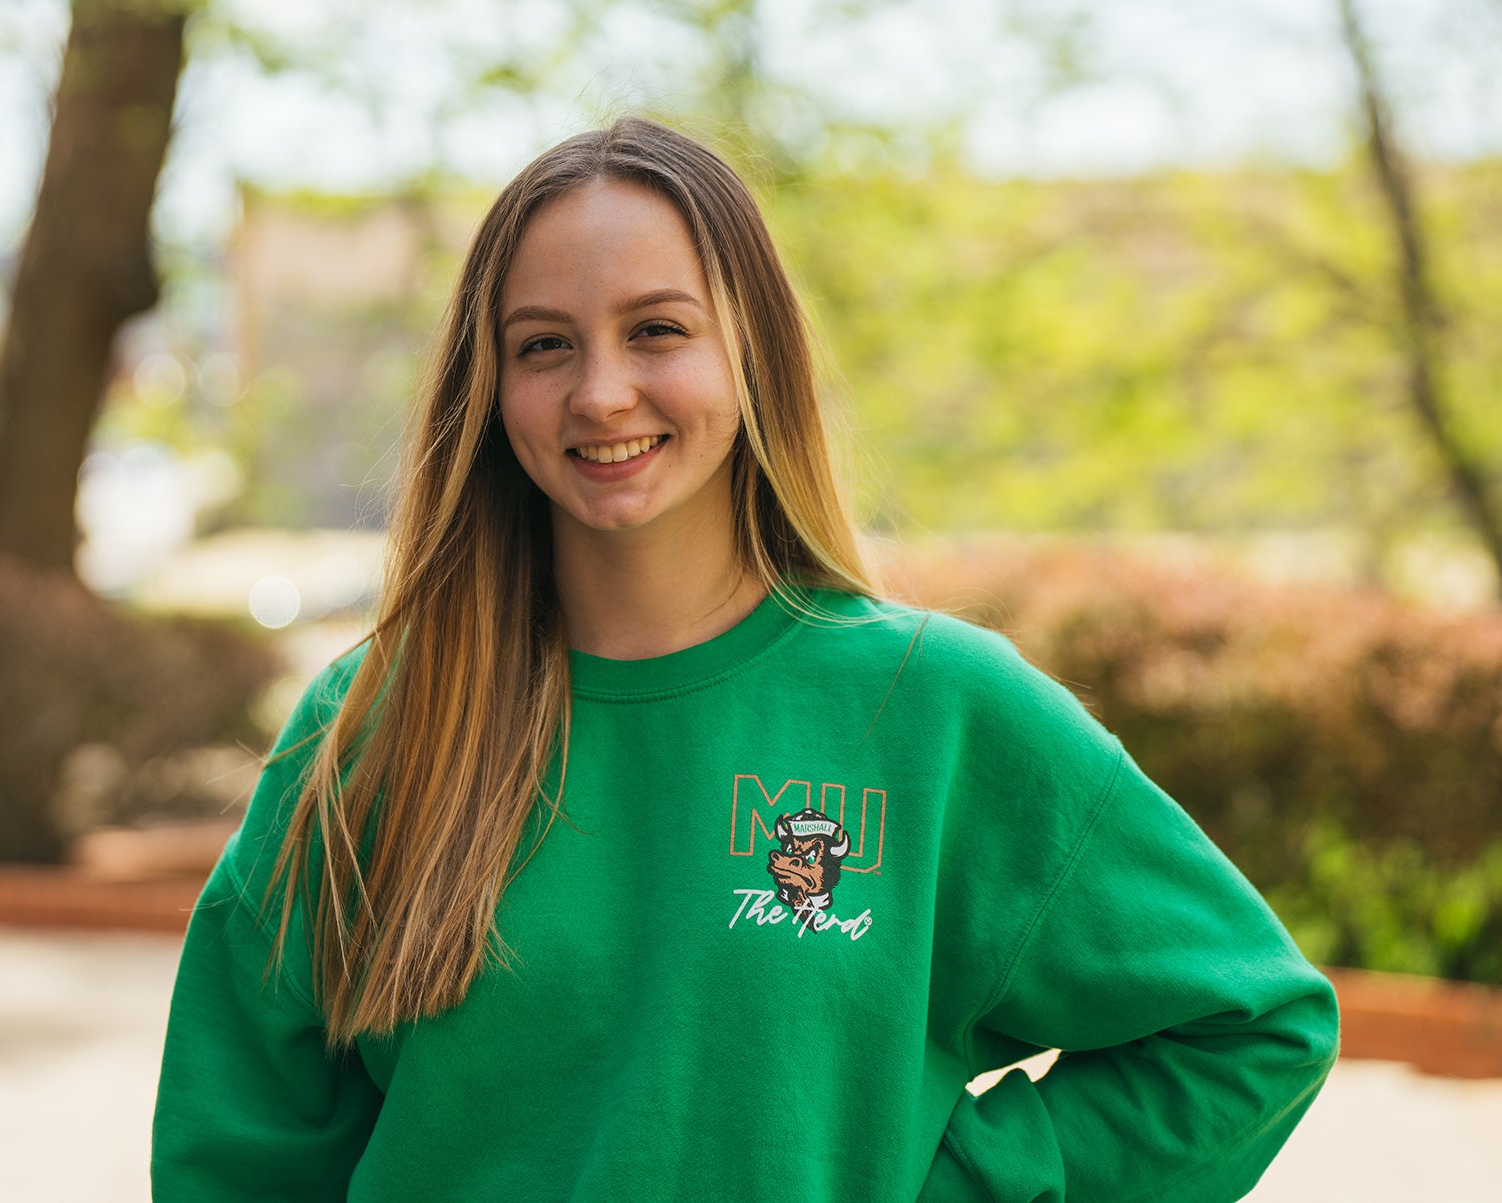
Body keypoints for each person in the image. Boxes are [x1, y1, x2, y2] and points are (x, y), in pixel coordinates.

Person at [151, 116, 1339, 1201]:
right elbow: (235, 1144)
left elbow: (1254, 1024)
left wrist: (974, 1186)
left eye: (657, 330)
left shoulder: (936, 714)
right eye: (544, 345)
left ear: (754, 352)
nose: (601, 391)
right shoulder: (373, 726)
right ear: (492, 387)